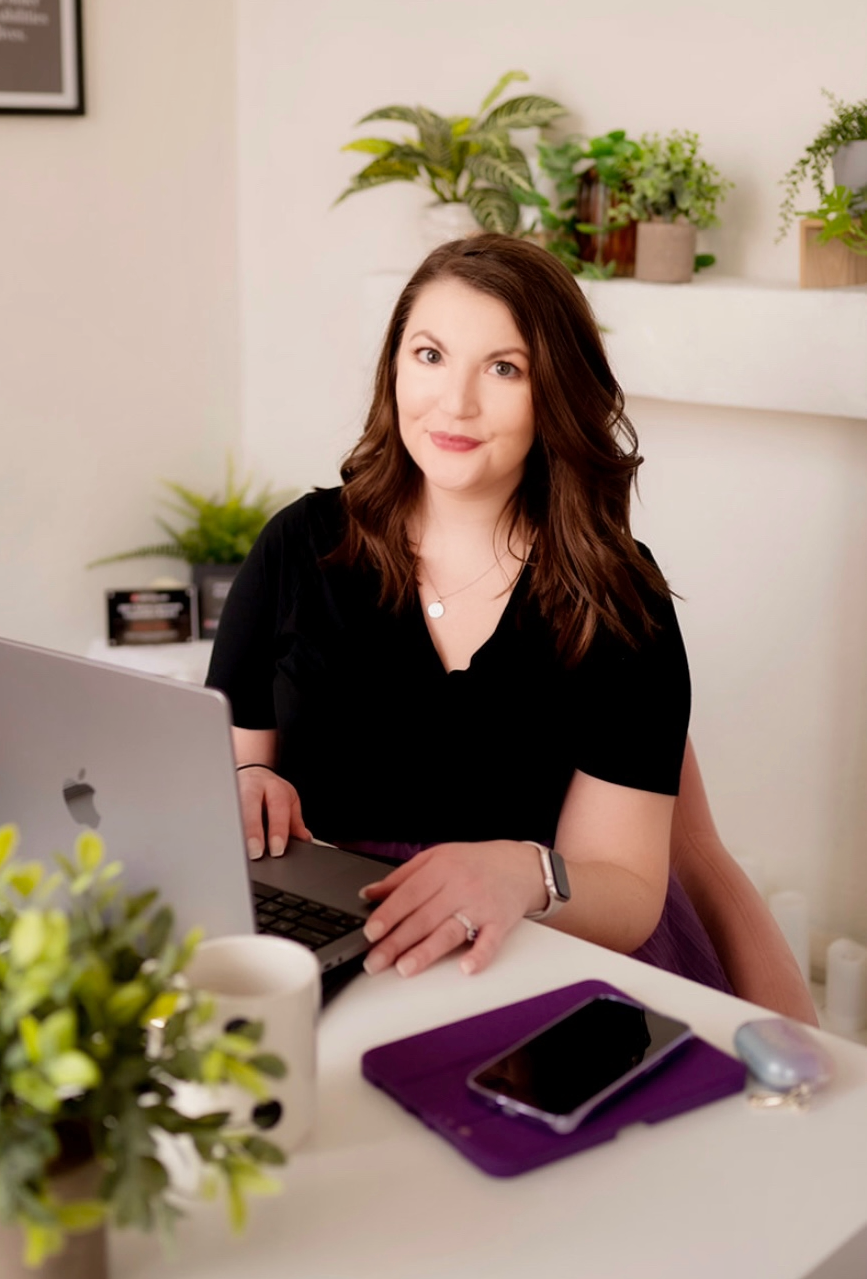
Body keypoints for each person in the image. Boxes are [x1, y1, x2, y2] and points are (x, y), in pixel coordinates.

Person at [207, 233, 730, 991]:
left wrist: (523, 874)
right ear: (393, 366)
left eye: (505, 368)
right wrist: (251, 781)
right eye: (429, 355)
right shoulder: (298, 546)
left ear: (555, 392)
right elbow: (237, 764)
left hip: (533, 946)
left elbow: (627, 890)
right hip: (316, 933)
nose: (455, 402)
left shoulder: (620, 597)